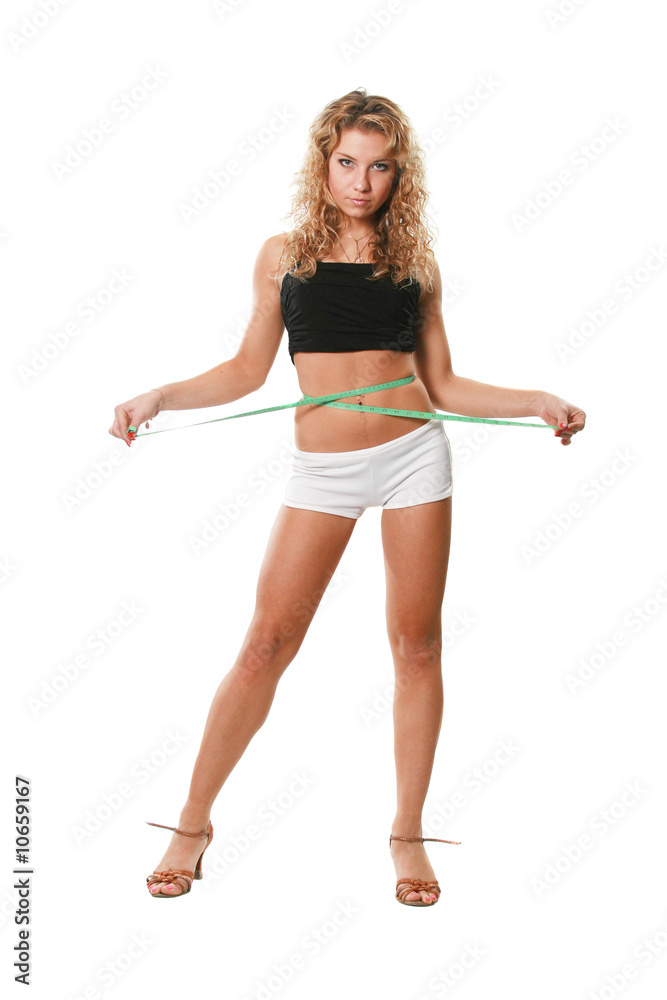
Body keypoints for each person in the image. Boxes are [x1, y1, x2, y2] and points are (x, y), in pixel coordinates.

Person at [109, 88, 585, 906]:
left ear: (400, 174)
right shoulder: (282, 254)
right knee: (265, 645)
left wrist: (536, 399)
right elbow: (245, 371)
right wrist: (159, 395)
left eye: (380, 167)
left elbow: (444, 385)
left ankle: (407, 834)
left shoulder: (414, 263)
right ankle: (192, 823)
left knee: (416, 647)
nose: (361, 182)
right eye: (346, 163)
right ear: (322, 163)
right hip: (322, 470)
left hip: (412, 457)